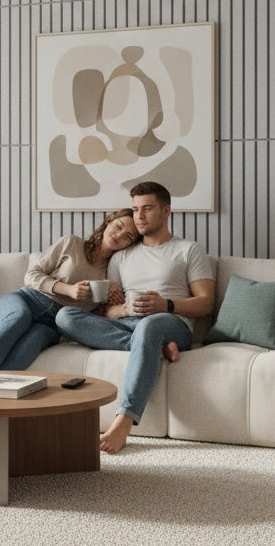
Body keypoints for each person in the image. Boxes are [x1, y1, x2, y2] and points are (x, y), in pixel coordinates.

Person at [55, 181, 215, 454]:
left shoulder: (188, 250)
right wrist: (126, 310)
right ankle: (152, 348)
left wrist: (166, 305)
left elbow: (205, 303)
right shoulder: (121, 257)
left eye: (147, 209)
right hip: (129, 323)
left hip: (170, 323)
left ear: (166, 211)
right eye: (135, 209)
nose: (139, 216)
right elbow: (106, 311)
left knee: (150, 326)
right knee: (65, 316)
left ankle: (124, 421)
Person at [0, 209, 140, 372]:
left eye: (128, 236)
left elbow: (91, 319)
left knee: (33, 342)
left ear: (130, 244)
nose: (119, 235)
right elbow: (31, 275)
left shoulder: (112, 273)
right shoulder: (72, 243)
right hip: (25, 300)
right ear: (109, 221)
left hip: (51, 326)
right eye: (118, 226)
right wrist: (69, 290)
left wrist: (111, 302)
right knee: (19, 317)